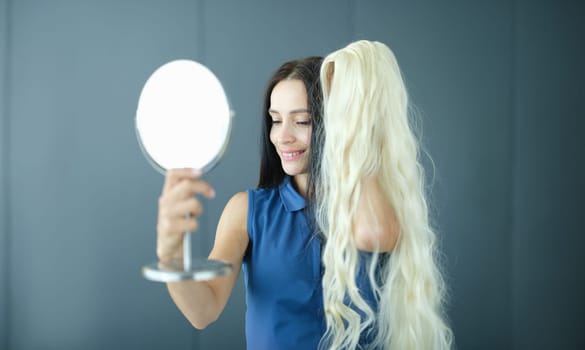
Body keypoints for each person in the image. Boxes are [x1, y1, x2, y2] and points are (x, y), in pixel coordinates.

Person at [156, 56, 327, 349]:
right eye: (275, 120)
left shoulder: (372, 216)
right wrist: (170, 257)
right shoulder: (248, 210)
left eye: (302, 121)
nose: (282, 136)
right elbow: (203, 311)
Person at [313, 40, 453, 349]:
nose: (333, 112)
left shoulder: (376, 187)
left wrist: (360, 143)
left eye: (343, 99)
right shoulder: (345, 187)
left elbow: (371, 233)